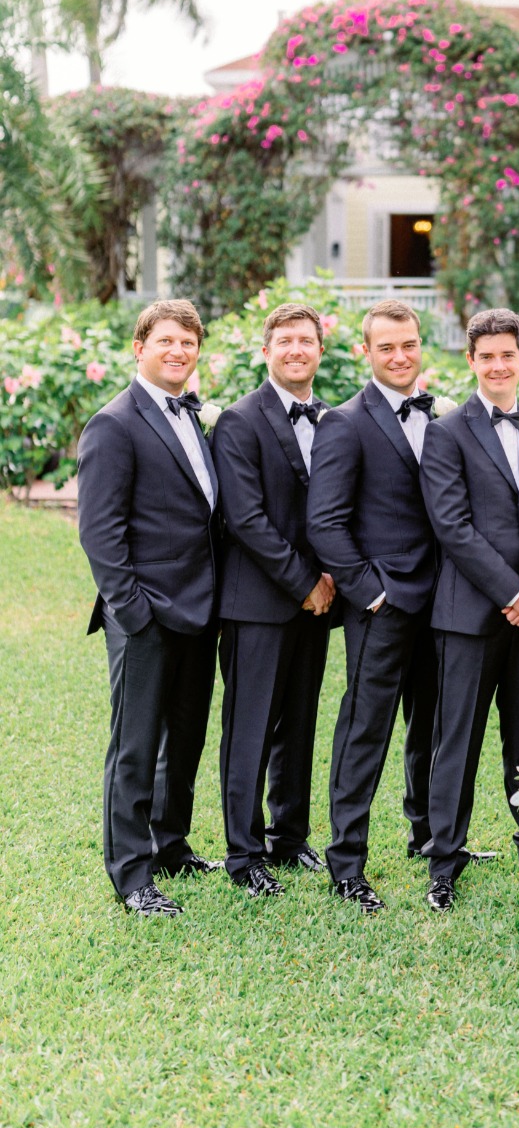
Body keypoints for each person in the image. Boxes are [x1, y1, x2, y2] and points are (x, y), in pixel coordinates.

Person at [76, 299, 222, 916]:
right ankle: (132, 875)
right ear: (141, 348)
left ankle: (169, 844)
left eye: (187, 343)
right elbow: (100, 532)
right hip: (145, 614)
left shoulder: (192, 415)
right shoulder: (114, 423)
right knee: (135, 746)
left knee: (184, 738)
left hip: (199, 607)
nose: (177, 352)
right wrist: (131, 612)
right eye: (165, 341)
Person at [306, 299, 439, 912]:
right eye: (386, 347)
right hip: (381, 606)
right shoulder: (345, 422)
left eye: (408, 344)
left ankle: (427, 833)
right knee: (366, 730)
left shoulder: (441, 416)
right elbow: (325, 524)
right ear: (366, 352)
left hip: (440, 604)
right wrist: (372, 593)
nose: (399, 356)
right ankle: (347, 863)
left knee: (430, 727)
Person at [419, 307, 519, 912]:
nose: (498, 365)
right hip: (470, 614)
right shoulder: (446, 432)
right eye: (486, 356)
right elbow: (451, 525)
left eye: (507, 355)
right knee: (459, 740)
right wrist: (512, 592)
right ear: (470, 362)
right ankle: (445, 860)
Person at [211, 302, 339, 897]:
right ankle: (244, 853)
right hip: (258, 604)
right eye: (284, 340)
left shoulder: (331, 418)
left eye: (305, 341)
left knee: (300, 723)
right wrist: (305, 582)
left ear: (320, 350)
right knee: (250, 728)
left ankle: (290, 836)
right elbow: (246, 518)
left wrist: (332, 580)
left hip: (317, 606)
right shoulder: (240, 421)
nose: (295, 350)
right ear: (266, 351)